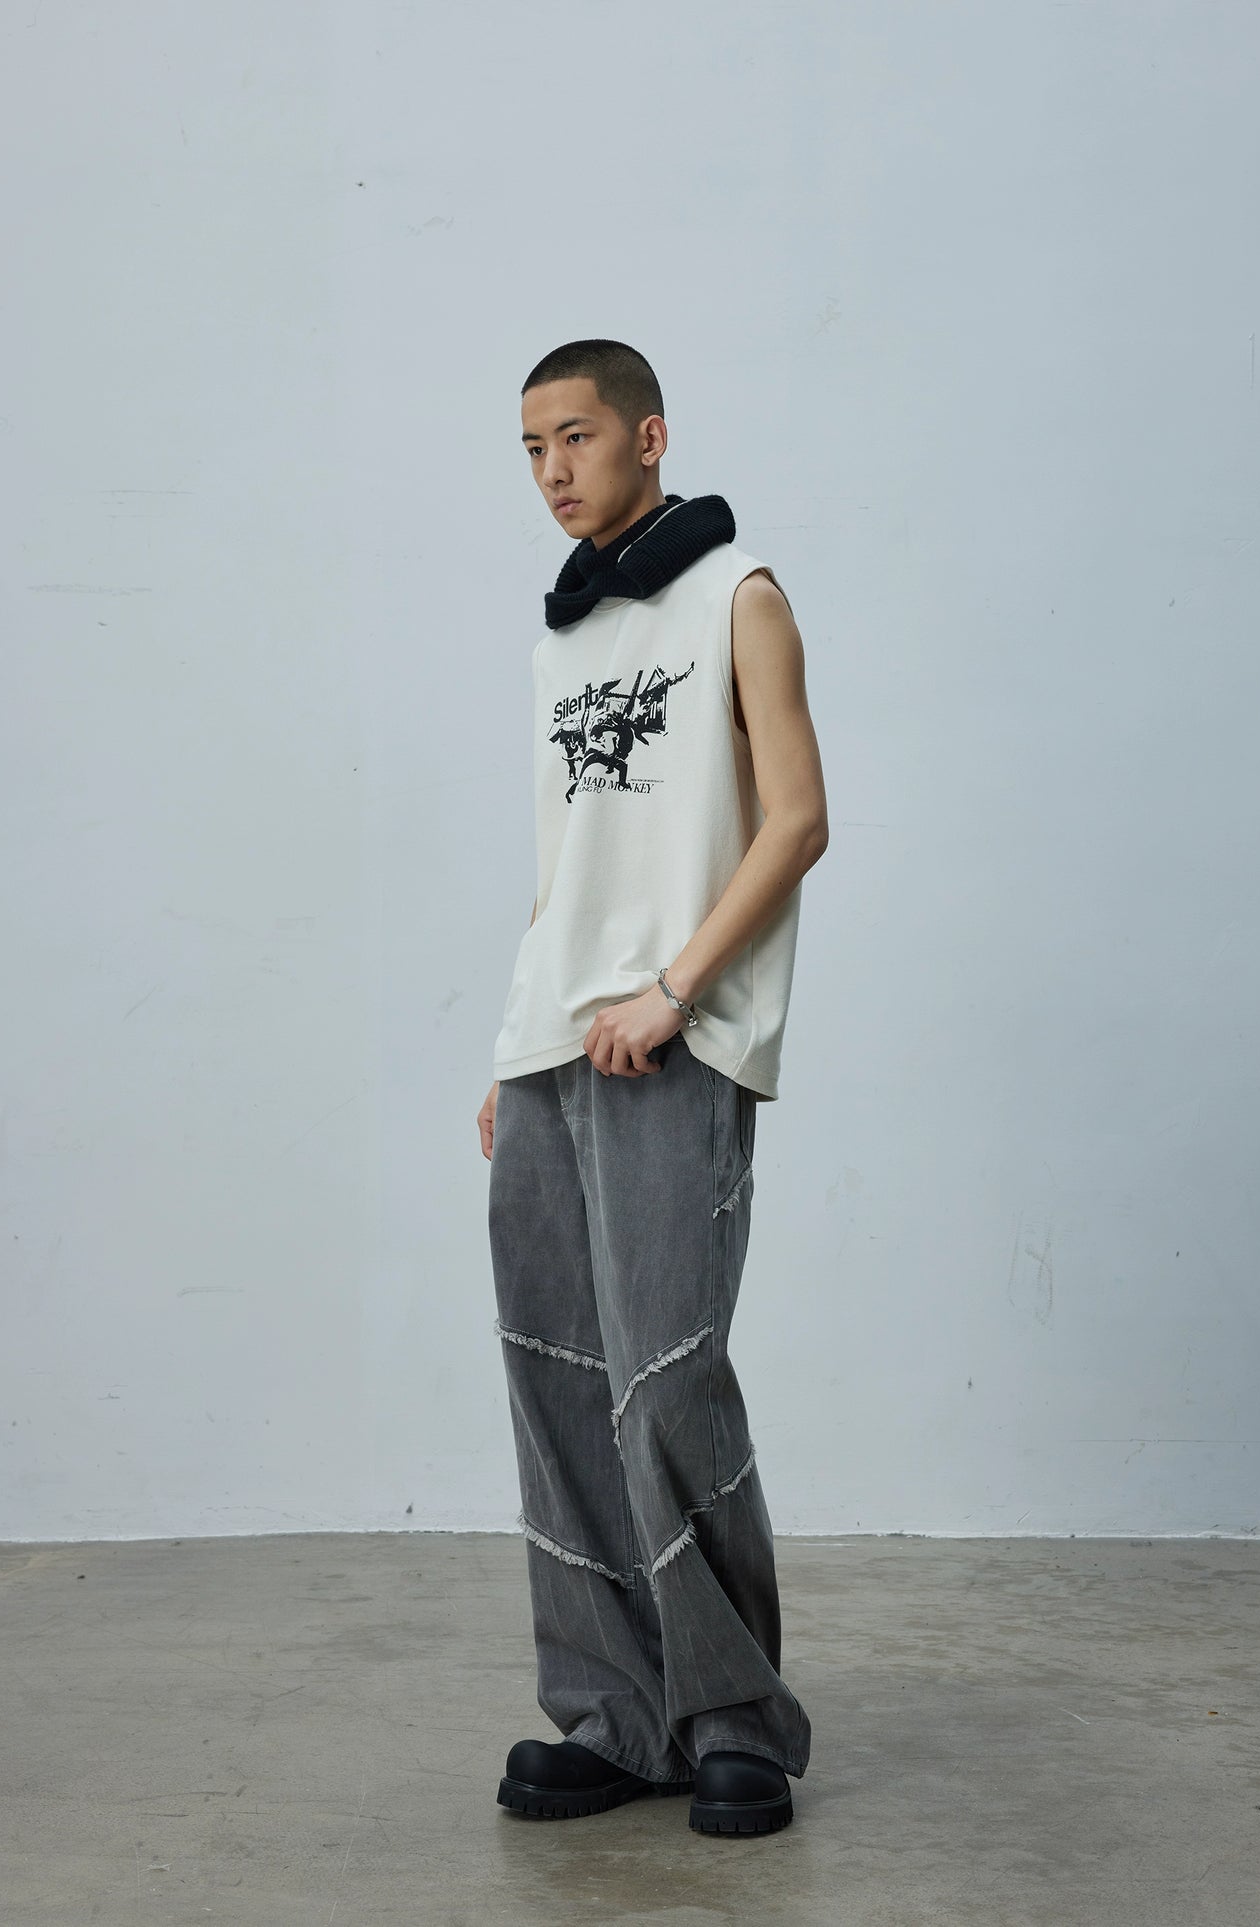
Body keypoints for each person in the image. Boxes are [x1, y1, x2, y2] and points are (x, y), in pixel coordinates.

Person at [478, 338, 828, 1838]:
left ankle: (735, 1719)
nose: (552, 470)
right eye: (530, 447)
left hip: (675, 1036)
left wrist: (675, 991)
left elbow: (797, 820)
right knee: (558, 1381)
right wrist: (512, 1047)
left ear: (650, 435)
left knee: (667, 1378)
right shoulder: (559, 641)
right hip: (554, 1048)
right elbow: (562, 873)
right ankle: (616, 1718)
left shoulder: (739, 595)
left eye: (576, 436)